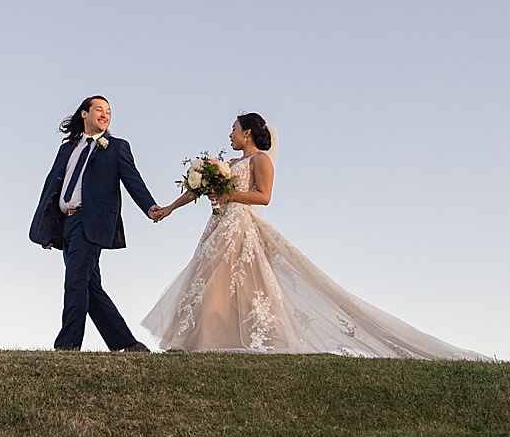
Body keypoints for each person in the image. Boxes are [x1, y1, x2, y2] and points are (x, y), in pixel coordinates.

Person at [142, 113, 489, 358]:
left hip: (239, 227)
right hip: (219, 226)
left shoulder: (260, 161)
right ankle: (199, 340)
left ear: (247, 133)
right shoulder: (226, 167)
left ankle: (227, 340)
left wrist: (229, 195)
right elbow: (201, 190)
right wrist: (169, 208)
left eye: (233, 129)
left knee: (226, 282)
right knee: (208, 280)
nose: (229, 135)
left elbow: (264, 197)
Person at [29, 95, 161, 351]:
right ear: (84, 114)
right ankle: (128, 344)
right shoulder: (68, 148)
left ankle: (67, 345)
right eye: (99, 109)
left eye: (108, 111)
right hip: (66, 223)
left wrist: (149, 206)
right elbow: (52, 188)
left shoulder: (117, 147)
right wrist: (46, 230)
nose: (104, 114)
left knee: (75, 281)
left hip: (92, 221)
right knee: (90, 287)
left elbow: (133, 180)